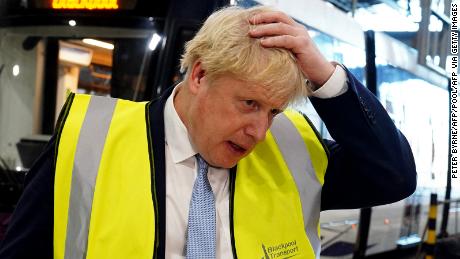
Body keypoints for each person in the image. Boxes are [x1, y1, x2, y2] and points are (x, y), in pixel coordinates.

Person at [0, 5, 416, 259]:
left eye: (273, 111)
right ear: (199, 74)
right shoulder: (91, 144)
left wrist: (325, 77)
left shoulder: (292, 151)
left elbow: (392, 176)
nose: (258, 131)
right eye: (249, 103)